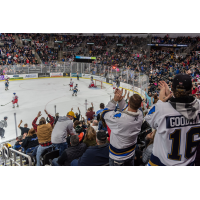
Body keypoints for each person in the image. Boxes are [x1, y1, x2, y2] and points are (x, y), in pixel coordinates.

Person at [145, 74, 200, 166]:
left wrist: (161, 100)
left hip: (162, 164)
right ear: (192, 89)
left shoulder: (161, 108)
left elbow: (148, 118)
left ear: (172, 88)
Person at [102, 88, 143, 166]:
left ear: (129, 102)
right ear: (140, 105)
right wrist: (120, 100)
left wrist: (114, 100)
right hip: (131, 153)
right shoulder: (140, 114)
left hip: (118, 157)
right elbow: (126, 109)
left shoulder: (120, 119)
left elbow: (105, 113)